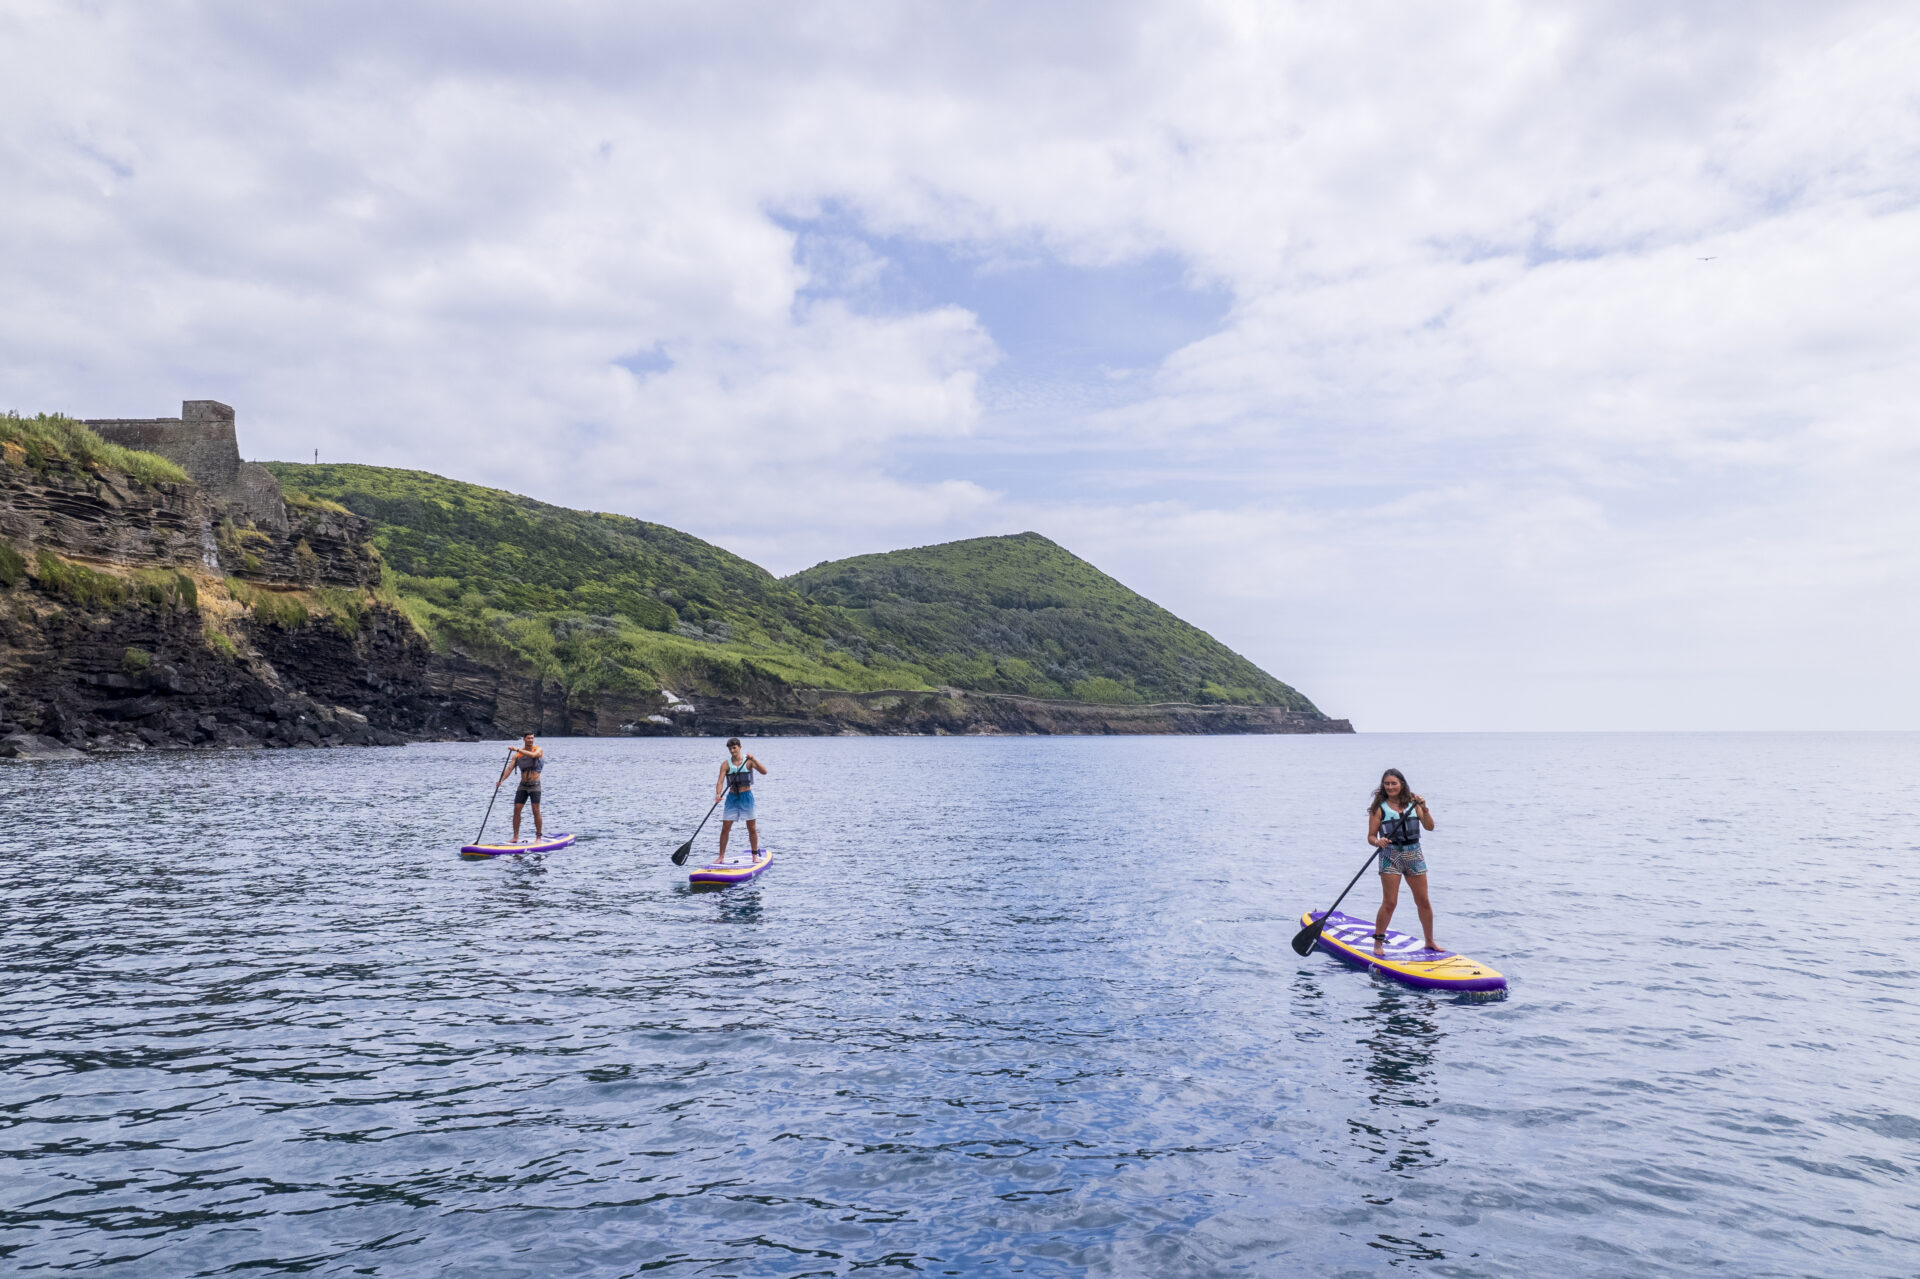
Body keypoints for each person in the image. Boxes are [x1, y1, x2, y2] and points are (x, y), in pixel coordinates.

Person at [1368, 768, 1437, 957]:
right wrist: (1378, 842)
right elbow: (1371, 837)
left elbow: (1430, 827)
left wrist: (1425, 807)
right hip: (1390, 855)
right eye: (1387, 784)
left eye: (1393, 783)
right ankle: (1378, 943)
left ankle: (1430, 941)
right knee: (1390, 902)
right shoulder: (1379, 808)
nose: (1390, 787)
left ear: (1402, 785)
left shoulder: (1414, 804)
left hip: (1414, 854)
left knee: (1423, 901)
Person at [712, 737, 767, 863]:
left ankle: (754, 856)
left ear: (740, 747)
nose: (732, 751)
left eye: (734, 748)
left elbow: (764, 772)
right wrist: (718, 794)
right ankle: (721, 857)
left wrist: (754, 760)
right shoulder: (726, 764)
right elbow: (720, 781)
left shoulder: (748, 762)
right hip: (732, 798)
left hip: (746, 796)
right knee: (725, 828)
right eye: (730, 749)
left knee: (751, 828)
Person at [497, 733, 545, 843]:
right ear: (524, 739)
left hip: (535, 785)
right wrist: (501, 780)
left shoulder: (538, 750)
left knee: (535, 810)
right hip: (523, 785)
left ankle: (538, 837)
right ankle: (515, 837)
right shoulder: (517, 756)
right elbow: (509, 769)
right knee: (517, 809)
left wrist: (517, 749)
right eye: (528, 738)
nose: (531, 740)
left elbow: (533, 756)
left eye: (532, 738)